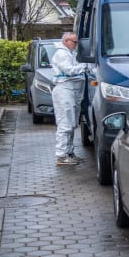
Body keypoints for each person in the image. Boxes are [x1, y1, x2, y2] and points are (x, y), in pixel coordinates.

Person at [50, 32, 87, 165]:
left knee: (71, 124)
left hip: (72, 90)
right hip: (64, 89)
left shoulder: (70, 53)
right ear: (66, 41)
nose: (76, 44)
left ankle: (69, 152)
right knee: (65, 123)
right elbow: (69, 70)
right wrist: (85, 66)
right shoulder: (62, 53)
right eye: (74, 42)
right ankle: (61, 155)